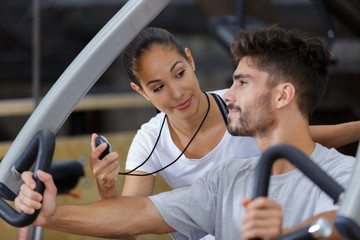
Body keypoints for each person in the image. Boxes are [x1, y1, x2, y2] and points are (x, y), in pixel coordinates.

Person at [15, 26, 356, 239]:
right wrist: (52, 214)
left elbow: (341, 222)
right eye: (158, 86)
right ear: (142, 91)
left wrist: (285, 234)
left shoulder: (347, 179)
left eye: (241, 83)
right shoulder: (226, 181)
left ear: (283, 95)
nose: (228, 95)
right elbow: (140, 213)